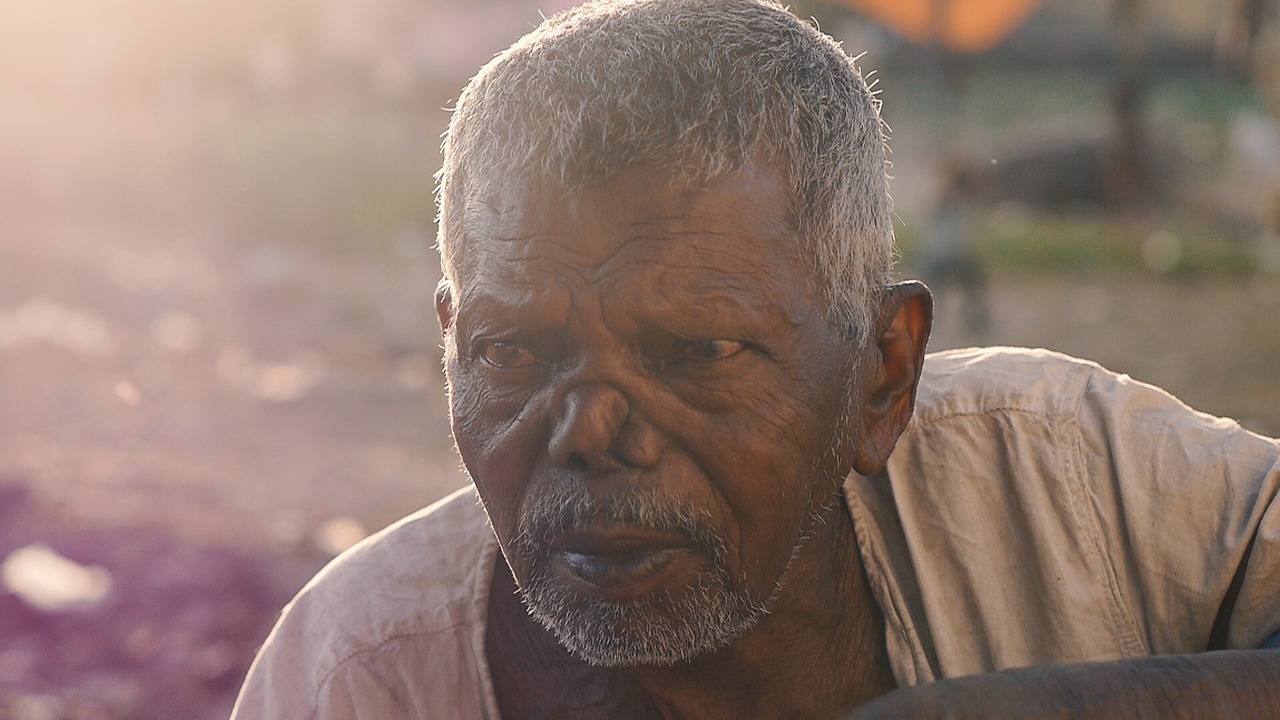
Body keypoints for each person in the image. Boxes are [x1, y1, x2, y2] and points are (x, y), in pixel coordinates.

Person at [230, 1, 1280, 717]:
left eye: (695, 350)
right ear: (452, 344)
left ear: (881, 375)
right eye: (513, 350)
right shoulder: (355, 676)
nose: (589, 429)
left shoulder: (1071, 485)